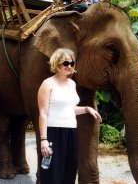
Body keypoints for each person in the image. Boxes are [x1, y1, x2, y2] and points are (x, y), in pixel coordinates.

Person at [38, 48, 102, 184]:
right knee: (52, 173)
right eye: (65, 63)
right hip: (53, 133)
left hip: (71, 133)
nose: (69, 66)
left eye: (71, 63)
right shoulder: (47, 84)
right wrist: (43, 139)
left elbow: (69, 109)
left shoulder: (72, 84)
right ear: (57, 63)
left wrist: (86, 109)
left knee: (69, 171)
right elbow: (43, 112)